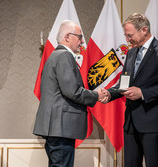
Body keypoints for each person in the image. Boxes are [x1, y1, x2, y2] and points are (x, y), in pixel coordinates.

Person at [101, 13, 158, 167]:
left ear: (144, 30)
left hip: (153, 123)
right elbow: (125, 83)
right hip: (131, 123)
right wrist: (110, 93)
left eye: (130, 35)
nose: (127, 40)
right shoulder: (131, 53)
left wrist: (143, 93)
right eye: (126, 36)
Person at [33, 20, 107, 167]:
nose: (82, 41)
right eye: (79, 37)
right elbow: (72, 91)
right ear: (67, 37)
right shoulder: (64, 56)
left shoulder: (55, 56)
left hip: (56, 127)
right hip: (61, 127)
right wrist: (96, 95)